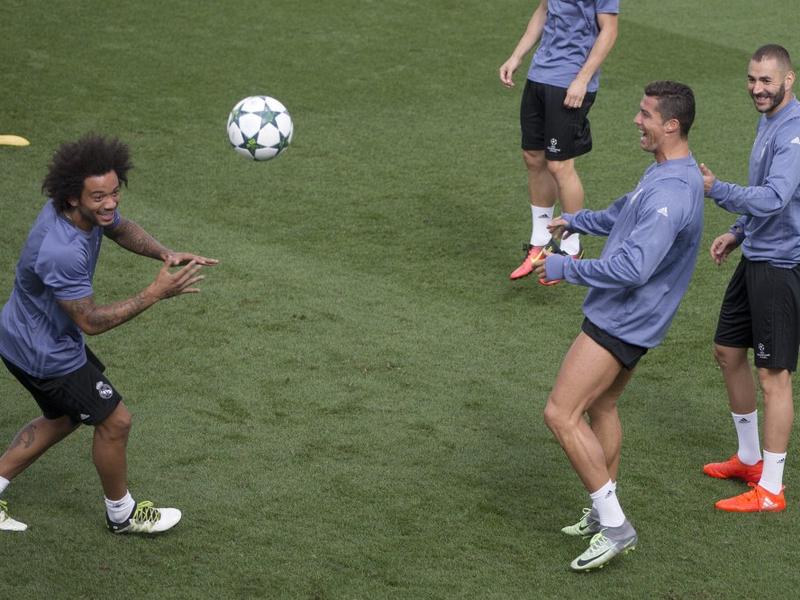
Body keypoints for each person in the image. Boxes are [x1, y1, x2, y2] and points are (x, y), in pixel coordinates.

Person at [0, 134, 218, 533]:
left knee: (64, 417)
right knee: (115, 421)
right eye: (100, 197)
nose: (111, 203)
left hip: (25, 335)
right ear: (73, 198)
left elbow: (119, 228)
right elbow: (91, 321)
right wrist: (154, 293)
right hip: (44, 352)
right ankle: (123, 515)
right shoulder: (62, 250)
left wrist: (164, 253)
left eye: (115, 192)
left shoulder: (85, 212)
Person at [531, 81, 703, 571]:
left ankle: (615, 525)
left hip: (624, 317)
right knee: (603, 405)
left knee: (561, 413)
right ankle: (600, 508)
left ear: (670, 124)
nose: (636, 120)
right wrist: (579, 220)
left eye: (645, 114)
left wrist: (568, 269)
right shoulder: (674, 169)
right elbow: (628, 212)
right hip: (639, 318)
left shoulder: (671, 191)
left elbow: (633, 269)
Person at [700, 44, 800, 513]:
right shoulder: (770, 121)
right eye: (752, 80)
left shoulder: (794, 131)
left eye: (766, 81)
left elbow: (777, 197)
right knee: (726, 350)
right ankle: (749, 458)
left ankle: (772, 490)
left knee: (773, 374)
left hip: (782, 265)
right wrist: (738, 232)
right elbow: (765, 196)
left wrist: (716, 190)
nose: (757, 89)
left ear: (788, 80)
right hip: (757, 253)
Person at [499, 0, 619, 284]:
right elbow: (543, 9)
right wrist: (517, 56)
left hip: (569, 81)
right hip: (540, 75)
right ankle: (539, 242)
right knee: (533, 156)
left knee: (559, 165)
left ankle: (571, 248)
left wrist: (582, 79)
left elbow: (610, 30)